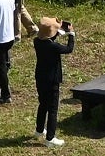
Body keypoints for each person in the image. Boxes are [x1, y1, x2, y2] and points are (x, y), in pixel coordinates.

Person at [31, 14, 76, 144]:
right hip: (52, 80)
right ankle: (50, 138)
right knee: (53, 109)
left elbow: (48, 37)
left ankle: (39, 130)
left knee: (43, 104)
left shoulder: (37, 42)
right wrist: (71, 34)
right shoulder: (53, 47)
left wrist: (57, 32)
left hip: (40, 77)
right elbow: (68, 49)